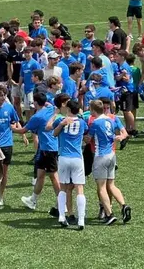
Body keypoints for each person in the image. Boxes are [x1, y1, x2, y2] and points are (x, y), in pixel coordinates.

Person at [87, 100, 131, 225]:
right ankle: (124, 205)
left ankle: (109, 214)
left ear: (94, 110)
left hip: (100, 156)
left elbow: (88, 139)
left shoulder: (95, 123)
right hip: (112, 155)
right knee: (111, 185)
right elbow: (113, 134)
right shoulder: (110, 120)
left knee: (101, 188)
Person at [15, 92, 60, 214]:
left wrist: (11, 128)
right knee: (40, 175)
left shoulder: (37, 117)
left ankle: (62, 204)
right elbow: (49, 104)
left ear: (35, 102)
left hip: (48, 149)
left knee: (54, 177)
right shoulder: (50, 108)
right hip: (48, 148)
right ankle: (33, 200)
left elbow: (23, 130)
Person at [50, 98, 87, 230]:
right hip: (77, 157)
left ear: (69, 109)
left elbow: (54, 133)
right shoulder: (82, 123)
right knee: (79, 188)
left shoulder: (61, 120)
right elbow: (86, 133)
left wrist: (62, 124)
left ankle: (61, 216)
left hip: (64, 157)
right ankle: (81, 219)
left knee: (63, 188)